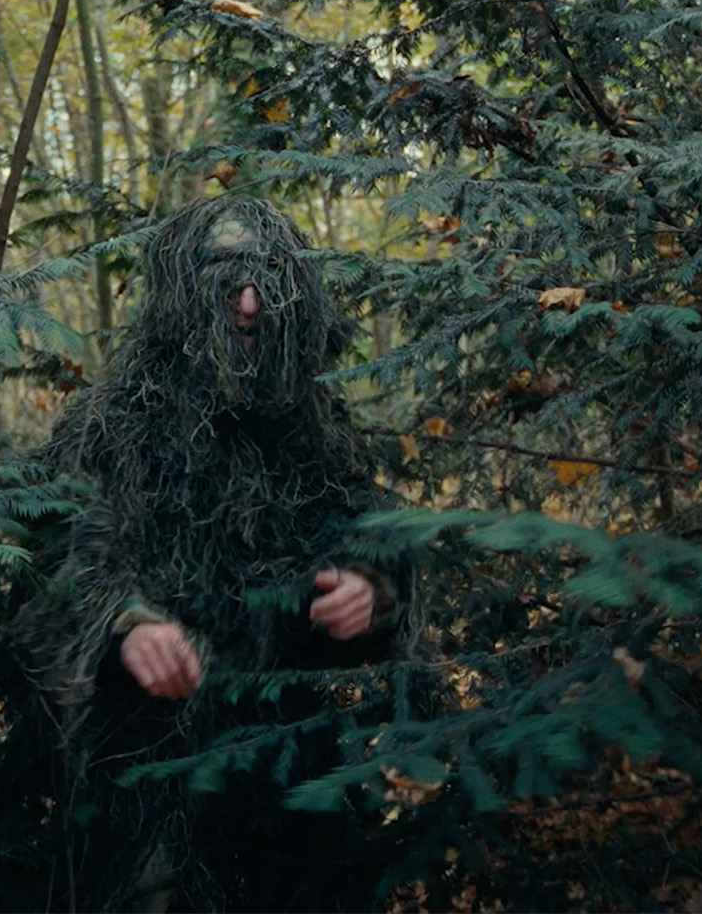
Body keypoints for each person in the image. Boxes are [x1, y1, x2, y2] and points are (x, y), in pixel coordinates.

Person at [21, 194, 413, 911]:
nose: (251, 305)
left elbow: (369, 531)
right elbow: (58, 562)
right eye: (227, 284)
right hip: (150, 774)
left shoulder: (315, 427)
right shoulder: (112, 425)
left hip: (289, 770)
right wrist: (127, 625)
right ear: (184, 298)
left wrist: (371, 589)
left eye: (266, 284)